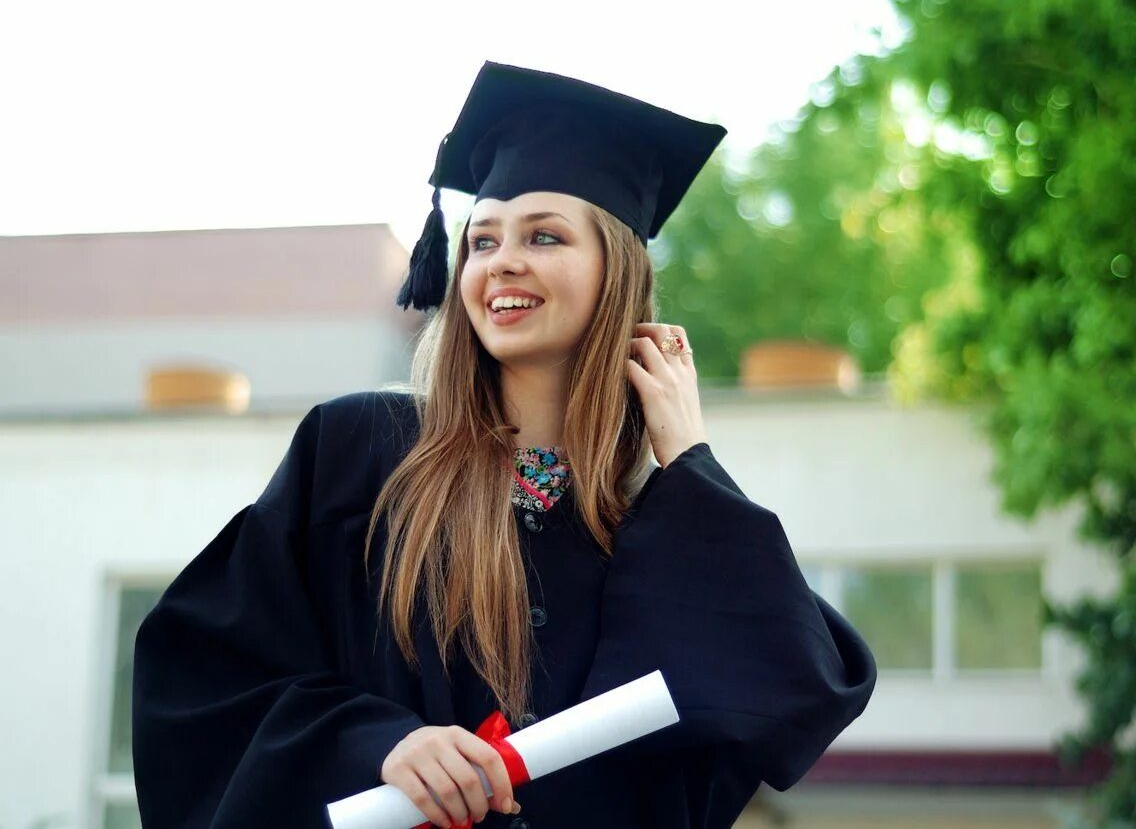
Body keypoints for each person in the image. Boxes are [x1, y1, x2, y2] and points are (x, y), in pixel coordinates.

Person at [132, 60, 877, 829]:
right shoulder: (362, 455)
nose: (502, 262)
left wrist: (687, 457)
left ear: (614, 272)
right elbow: (202, 674)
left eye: (545, 236)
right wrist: (380, 746)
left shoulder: (658, 526)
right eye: (481, 242)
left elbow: (797, 683)